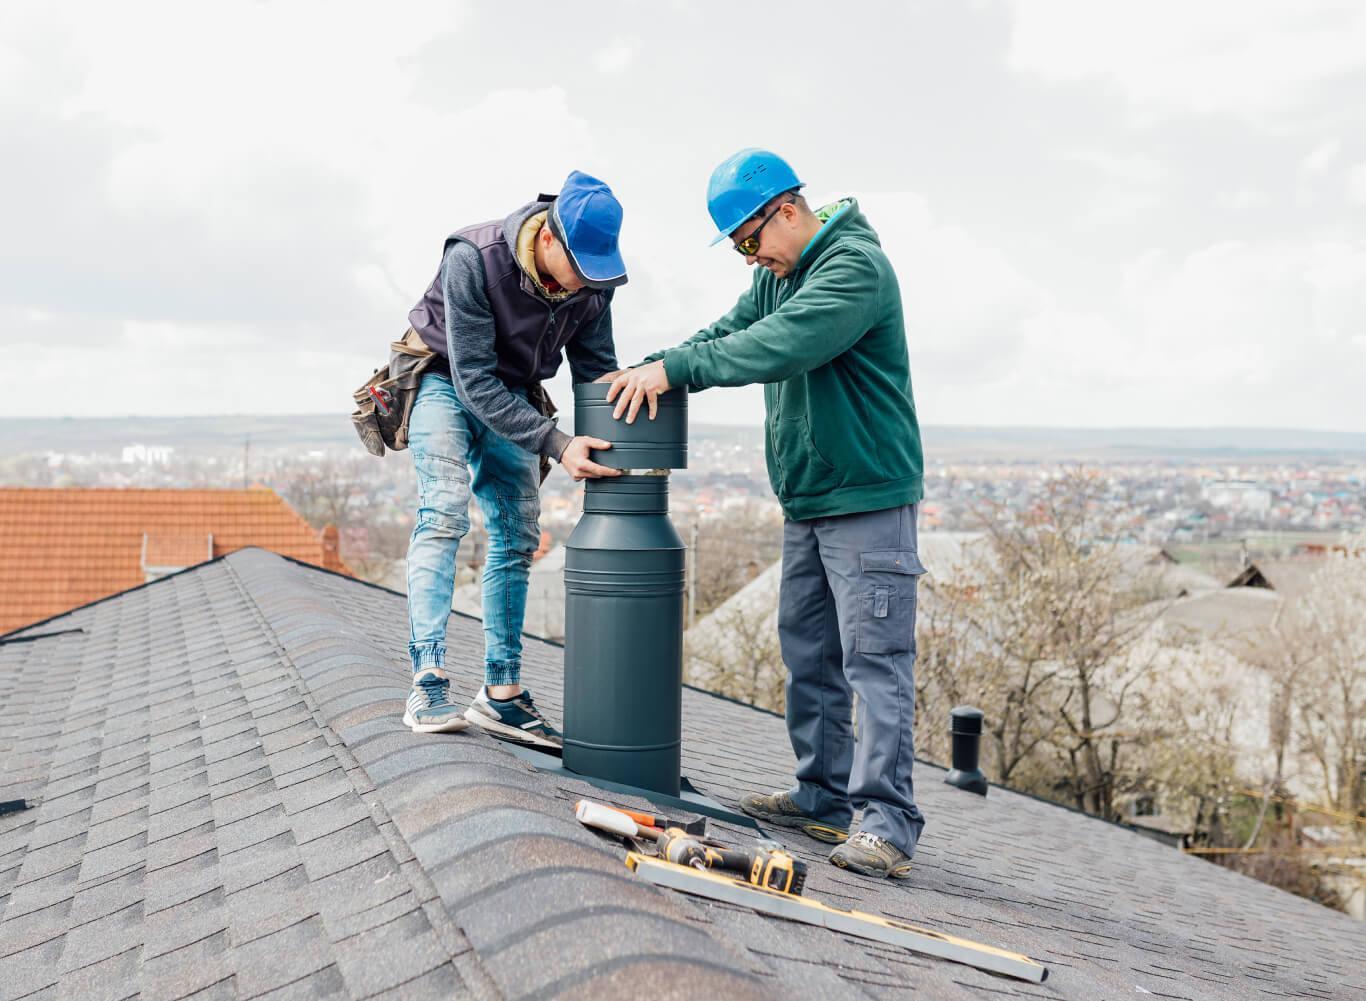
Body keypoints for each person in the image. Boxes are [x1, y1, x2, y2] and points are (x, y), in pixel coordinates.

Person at [607, 149, 926, 879]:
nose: (747, 259)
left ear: (787, 210)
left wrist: (677, 372)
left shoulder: (853, 269)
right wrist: (650, 366)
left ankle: (889, 822)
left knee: (876, 661)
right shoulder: (777, 277)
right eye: (739, 249)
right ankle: (823, 796)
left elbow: (776, 347)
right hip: (811, 499)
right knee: (809, 653)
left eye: (750, 241)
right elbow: (724, 333)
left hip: (869, 499)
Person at [403, 171, 624, 748]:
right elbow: (473, 380)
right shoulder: (474, 258)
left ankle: (500, 694)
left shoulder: (594, 285)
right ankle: (427, 680)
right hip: (446, 379)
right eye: (581, 270)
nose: (586, 285)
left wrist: (618, 435)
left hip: (516, 391)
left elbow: (596, 372)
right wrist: (556, 443)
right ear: (548, 241)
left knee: (517, 536)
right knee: (445, 514)